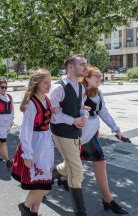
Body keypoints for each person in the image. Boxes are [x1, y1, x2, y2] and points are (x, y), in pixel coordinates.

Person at [61, 66, 128, 214]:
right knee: (69, 166)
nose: (100, 78)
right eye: (96, 76)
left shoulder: (98, 93)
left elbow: (103, 112)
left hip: (90, 136)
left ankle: (108, 199)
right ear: (87, 78)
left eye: (100, 76)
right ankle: (47, 182)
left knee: (100, 162)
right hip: (76, 135)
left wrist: (116, 129)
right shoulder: (80, 92)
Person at [49, 54, 89, 216]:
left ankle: (44, 180)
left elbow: (81, 107)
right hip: (62, 132)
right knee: (77, 171)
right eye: (82, 64)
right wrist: (73, 121)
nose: (86, 67)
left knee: (68, 166)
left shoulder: (80, 87)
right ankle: (81, 212)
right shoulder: (58, 87)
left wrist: (83, 118)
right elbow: (54, 115)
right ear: (70, 67)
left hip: (75, 132)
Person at [11, 69, 54, 216]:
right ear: (37, 83)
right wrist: (27, 154)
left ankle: (34, 212)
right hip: (35, 144)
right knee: (45, 186)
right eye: (45, 82)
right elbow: (25, 131)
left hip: (45, 143)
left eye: (50, 82)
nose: (49, 85)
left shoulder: (46, 100)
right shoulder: (32, 103)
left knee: (39, 185)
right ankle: (24, 206)